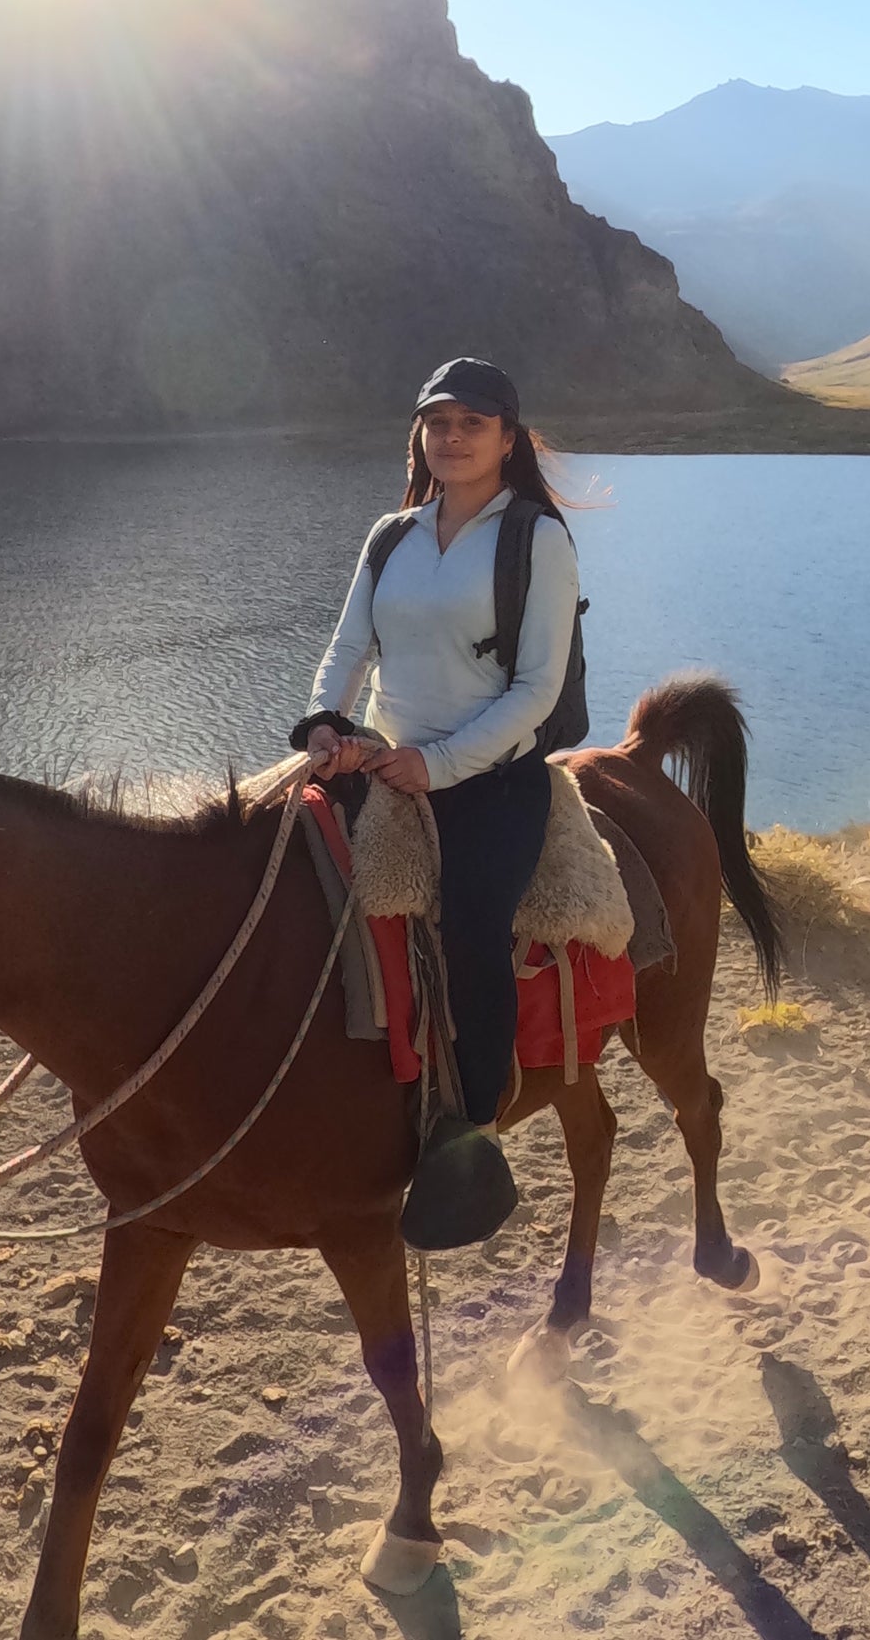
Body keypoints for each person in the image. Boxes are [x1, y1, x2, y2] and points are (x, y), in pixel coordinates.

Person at [289, 359, 581, 1245]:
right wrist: (323, 725)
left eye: (472, 422)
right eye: (436, 422)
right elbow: (349, 644)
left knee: (471, 923)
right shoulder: (392, 535)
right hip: (382, 762)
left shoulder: (538, 539)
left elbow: (536, 688)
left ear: (506, 436)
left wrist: (442, 762)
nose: (451, 437)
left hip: (490, 777)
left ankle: (473, 1132)